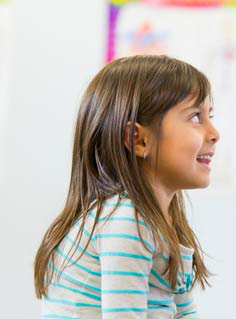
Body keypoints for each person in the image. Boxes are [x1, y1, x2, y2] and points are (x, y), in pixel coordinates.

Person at [33, 55, 219, 318]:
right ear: (139, 140)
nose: (214, 133)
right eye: (196, 118)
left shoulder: (160, 221)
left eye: (209, 116)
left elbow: (185, 314)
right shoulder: (126, 220)